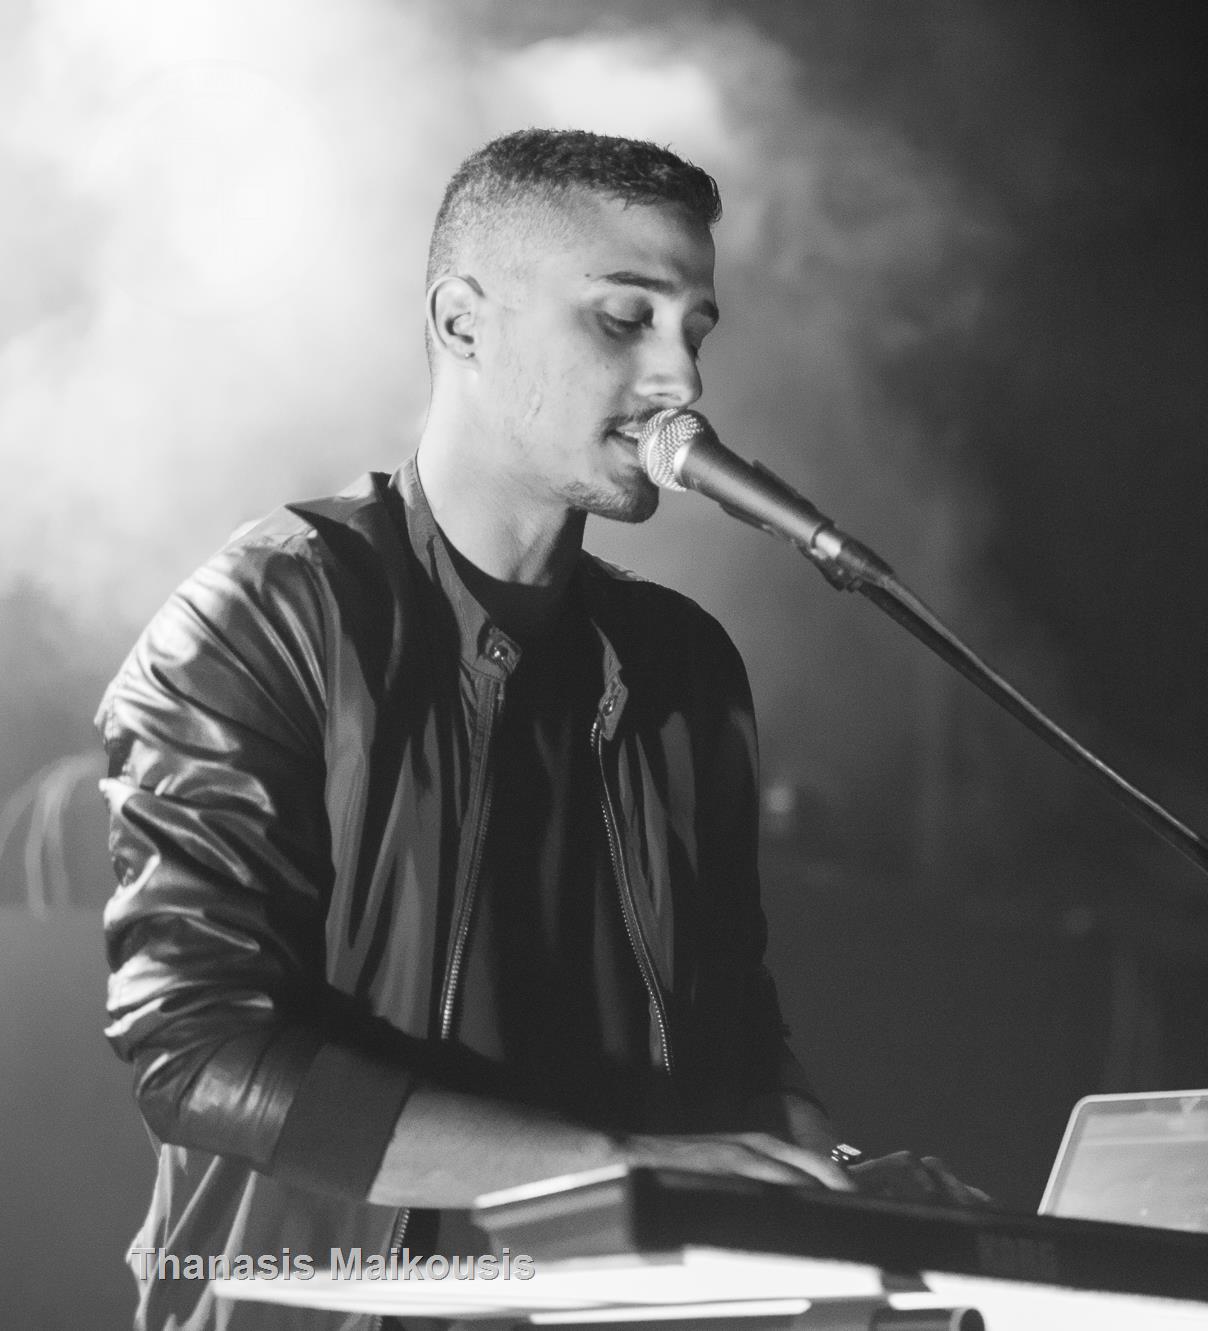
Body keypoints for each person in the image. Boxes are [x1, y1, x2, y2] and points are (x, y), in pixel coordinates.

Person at [99, 128, 974, 1331]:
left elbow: (735, 1035)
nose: (681, 379)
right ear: (462, 323)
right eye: (624, 319)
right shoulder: (268, 614)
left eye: (695, 330)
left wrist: (836, 1186)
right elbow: (198, 1047)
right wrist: (613, 1167)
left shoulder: (684, 667)